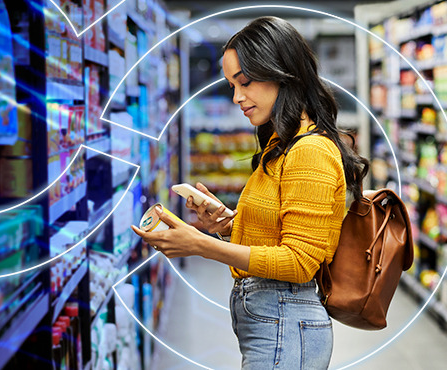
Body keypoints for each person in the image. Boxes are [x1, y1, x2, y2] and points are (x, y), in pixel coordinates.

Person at [131, 16, 369, 369]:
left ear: (282, 72)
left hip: (287, 323)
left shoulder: (310, 151)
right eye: (231, 85)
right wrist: (228, 223)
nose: (237, 97)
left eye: (245, 82)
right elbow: (280, 229)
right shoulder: (282, 142)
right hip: (274, 321)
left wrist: (202, 246)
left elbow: (300, 262)